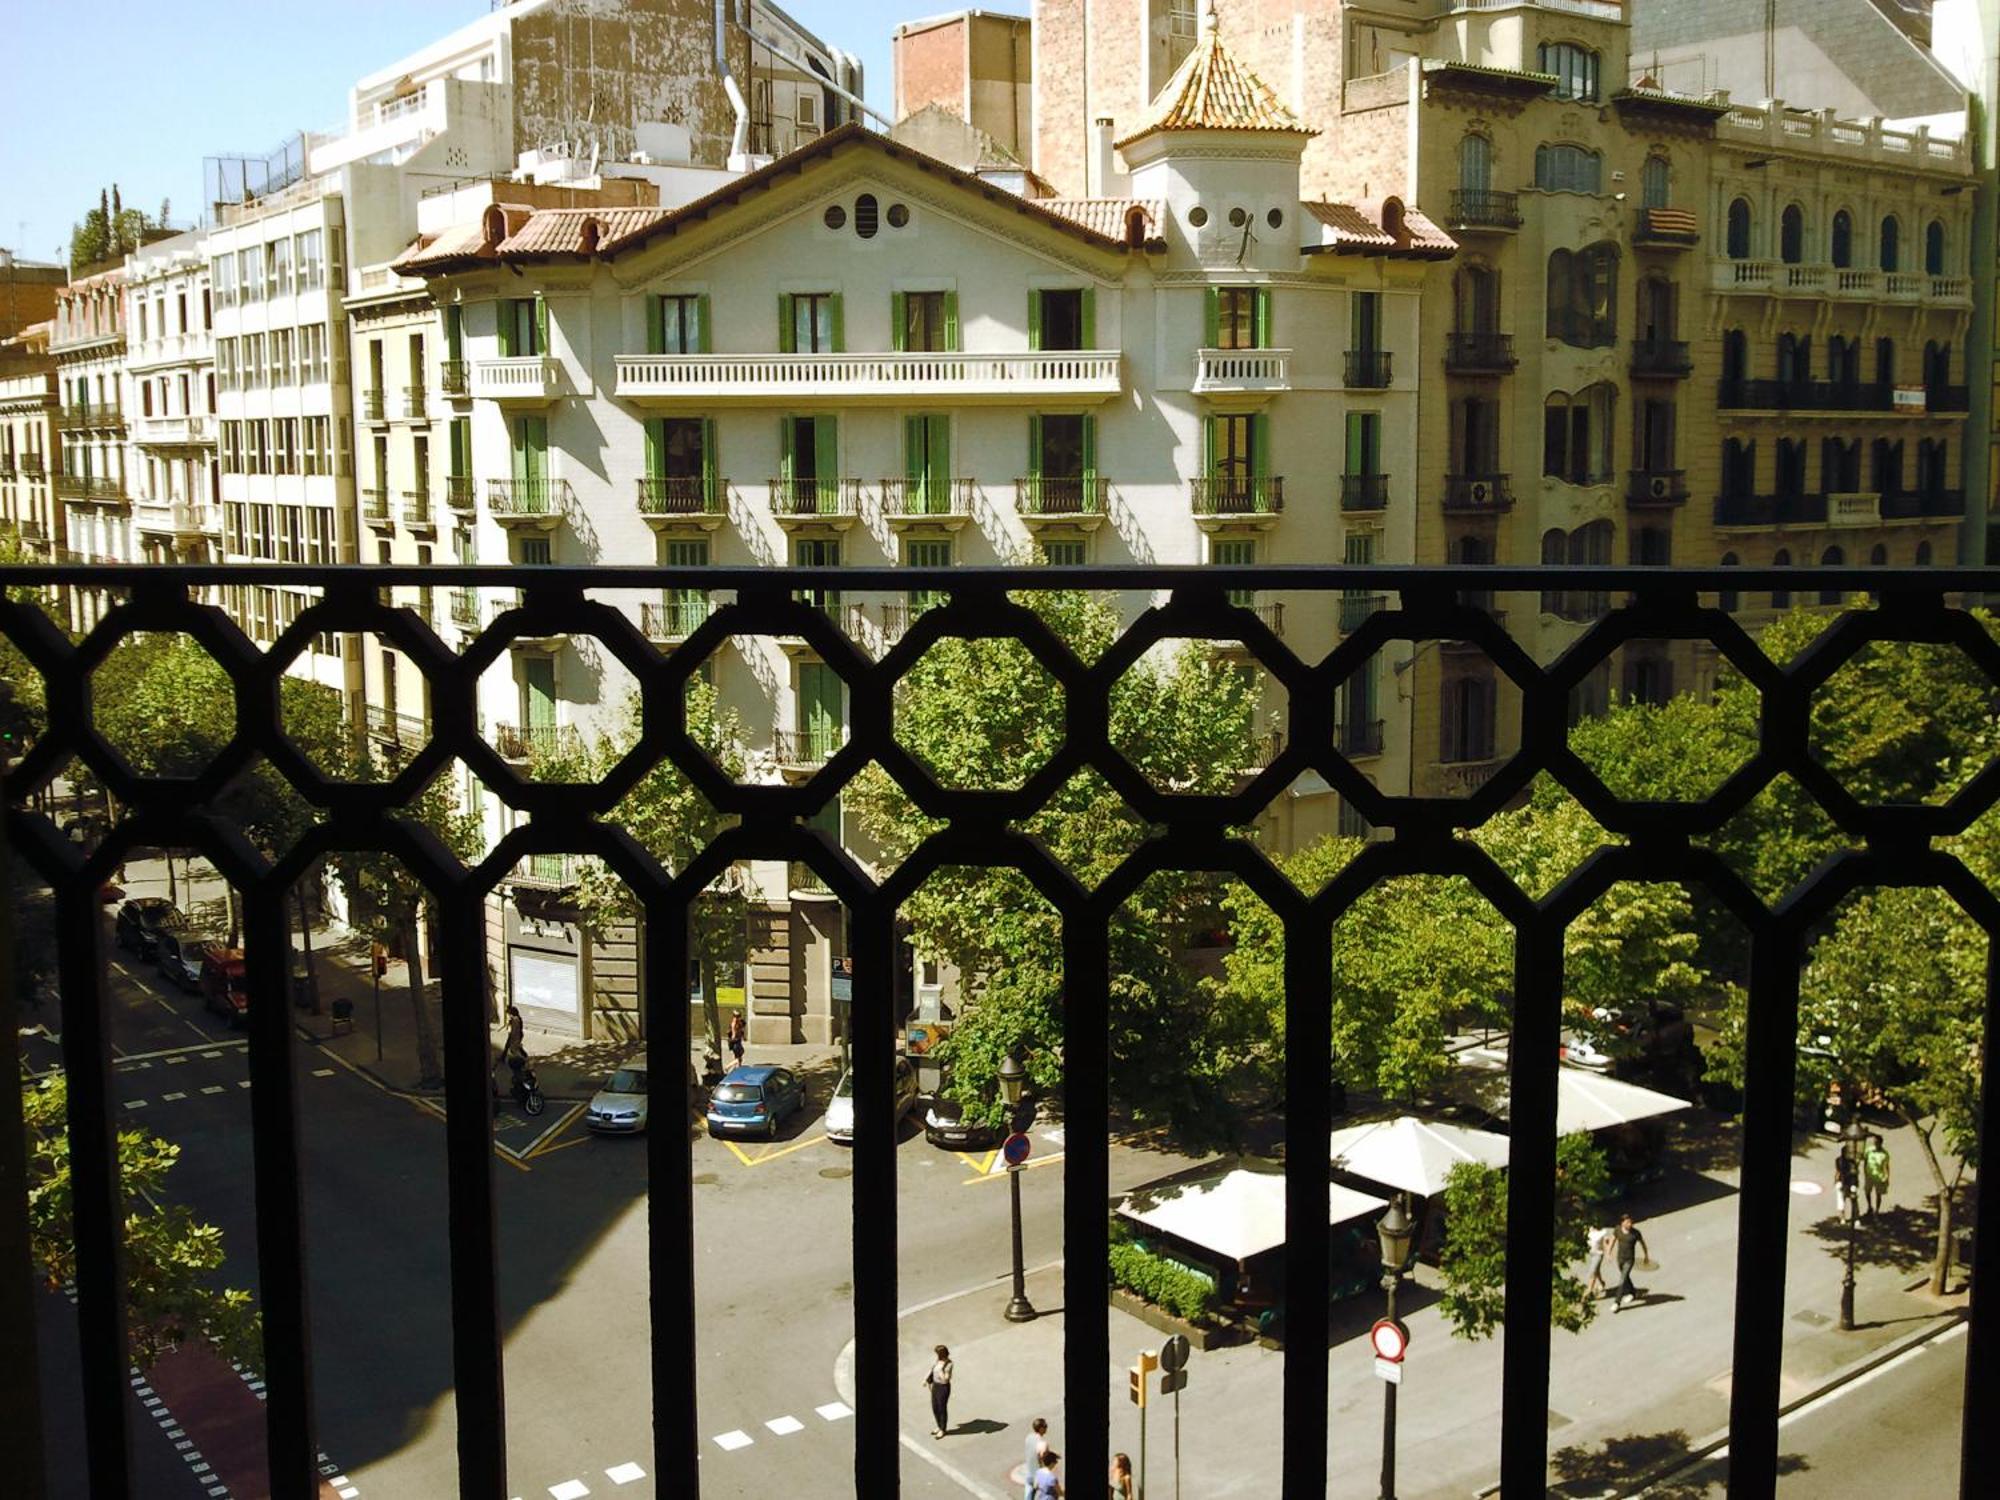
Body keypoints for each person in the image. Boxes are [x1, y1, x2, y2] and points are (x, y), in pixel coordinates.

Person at [1612, 1212, 1650, 1310]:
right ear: (1622, 1223)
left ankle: (1617, 1302)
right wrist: (1608, 1252)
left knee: (1622, 1279)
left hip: (1629, 1260)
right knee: (1625, 1277)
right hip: (1620, 1258)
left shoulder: (1636, 1233)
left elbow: (1643, 1244)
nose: (1630, 1224)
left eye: (1631, 1222)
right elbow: (1613, 1240)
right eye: (1628, 1222)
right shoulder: (1617, 1230)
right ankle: (1632, 1292)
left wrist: (1646, 1256)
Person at [923, 1344, 952, 1438]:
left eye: (937, 1353)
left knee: (941, 1408)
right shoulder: (938, 1361)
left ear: (941, 1354)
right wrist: (925, 1379)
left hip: (943, 1388)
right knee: (935, 1407)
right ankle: (939, 1426)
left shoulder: (949, 1364)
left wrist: (941, 1371)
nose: (936, 1355)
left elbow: (946, 1380)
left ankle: (943, 1429)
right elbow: (931, 1370)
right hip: (935, 1386)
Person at [1862, 1133, 1891, 1217]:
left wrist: (1887, 1177)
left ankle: (1877, 1210)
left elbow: (1886, 1166)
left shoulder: (1884, 1154)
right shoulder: (1869, 1150)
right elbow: (1865, 1160)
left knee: (1878, 1194)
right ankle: (1869, 1206)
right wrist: (1865, 1171)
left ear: (1880, 1143)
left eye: (1876, 1142)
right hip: (1869, 1176)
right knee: (1867, 1192)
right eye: (1874, 1142)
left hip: (1879, 1177)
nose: (1874, 1144)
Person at [1584, 1225, 1614, 1301]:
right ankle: (1602, 1283)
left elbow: (1607, 1243)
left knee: (1593, 1271)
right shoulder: (1590, 1229)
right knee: (1596, 1270)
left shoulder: (1603, 1232)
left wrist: (1608, 1254)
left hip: (1598, 1255)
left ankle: (1589, 1290)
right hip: (1592, 1254)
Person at [1024, 1417, 1049, 1500]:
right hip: (1038, 1475)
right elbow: (1042, 1459)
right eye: (1045, 1426)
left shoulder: (1028, 1437)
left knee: (1028, 1495)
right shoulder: (1042, 1443)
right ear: (1041, 1429)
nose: (1046, 1428)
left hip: (1029, 1471)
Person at [1834, 1146, 1858, 1219]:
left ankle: (1856, 1217)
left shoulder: (1852, 1161)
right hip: (1842, 1181)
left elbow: (1855, 1173)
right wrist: (1836, 1181)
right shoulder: (1839, 1160)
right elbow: (1838, 1171)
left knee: (1854, 1199)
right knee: (1841, 1200)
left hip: (1851, 1182)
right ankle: (1842, 1217)